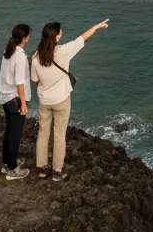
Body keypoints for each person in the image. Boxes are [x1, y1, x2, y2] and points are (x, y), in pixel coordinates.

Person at [31, 18, 109, 180]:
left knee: (43, 132)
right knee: (59, 135)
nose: (62, 33)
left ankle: (42, 168)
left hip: (44, 101)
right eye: (60, 32)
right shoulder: (63, 51)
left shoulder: (36, 56)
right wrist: (96, 26)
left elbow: (35, 80)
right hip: (61, 100)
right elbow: (81, 39)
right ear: (56, 37)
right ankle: (57, 171)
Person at [0, 23, 32, 180]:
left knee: (9, 131)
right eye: (29, 35)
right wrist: (24, 104)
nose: (30, 37)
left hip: (5, 97)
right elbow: (19, 83)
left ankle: (7, 163)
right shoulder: (19, 56)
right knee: (15, 134)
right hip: (15, 99)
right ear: (24, 38)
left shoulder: (8, 51)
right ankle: (12, 170)